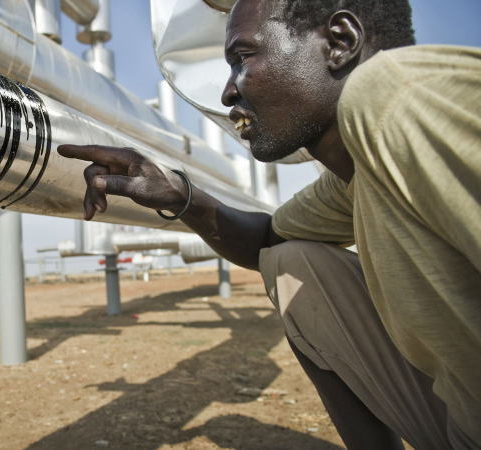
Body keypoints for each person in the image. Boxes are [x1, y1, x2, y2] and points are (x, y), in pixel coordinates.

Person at [57, 0, 481, 448]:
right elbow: (266, 239)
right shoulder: (354, 177)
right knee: (291, 262)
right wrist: (181, 197)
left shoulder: (396, 92)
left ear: (340, 42)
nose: (227, 93)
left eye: (242, 58)